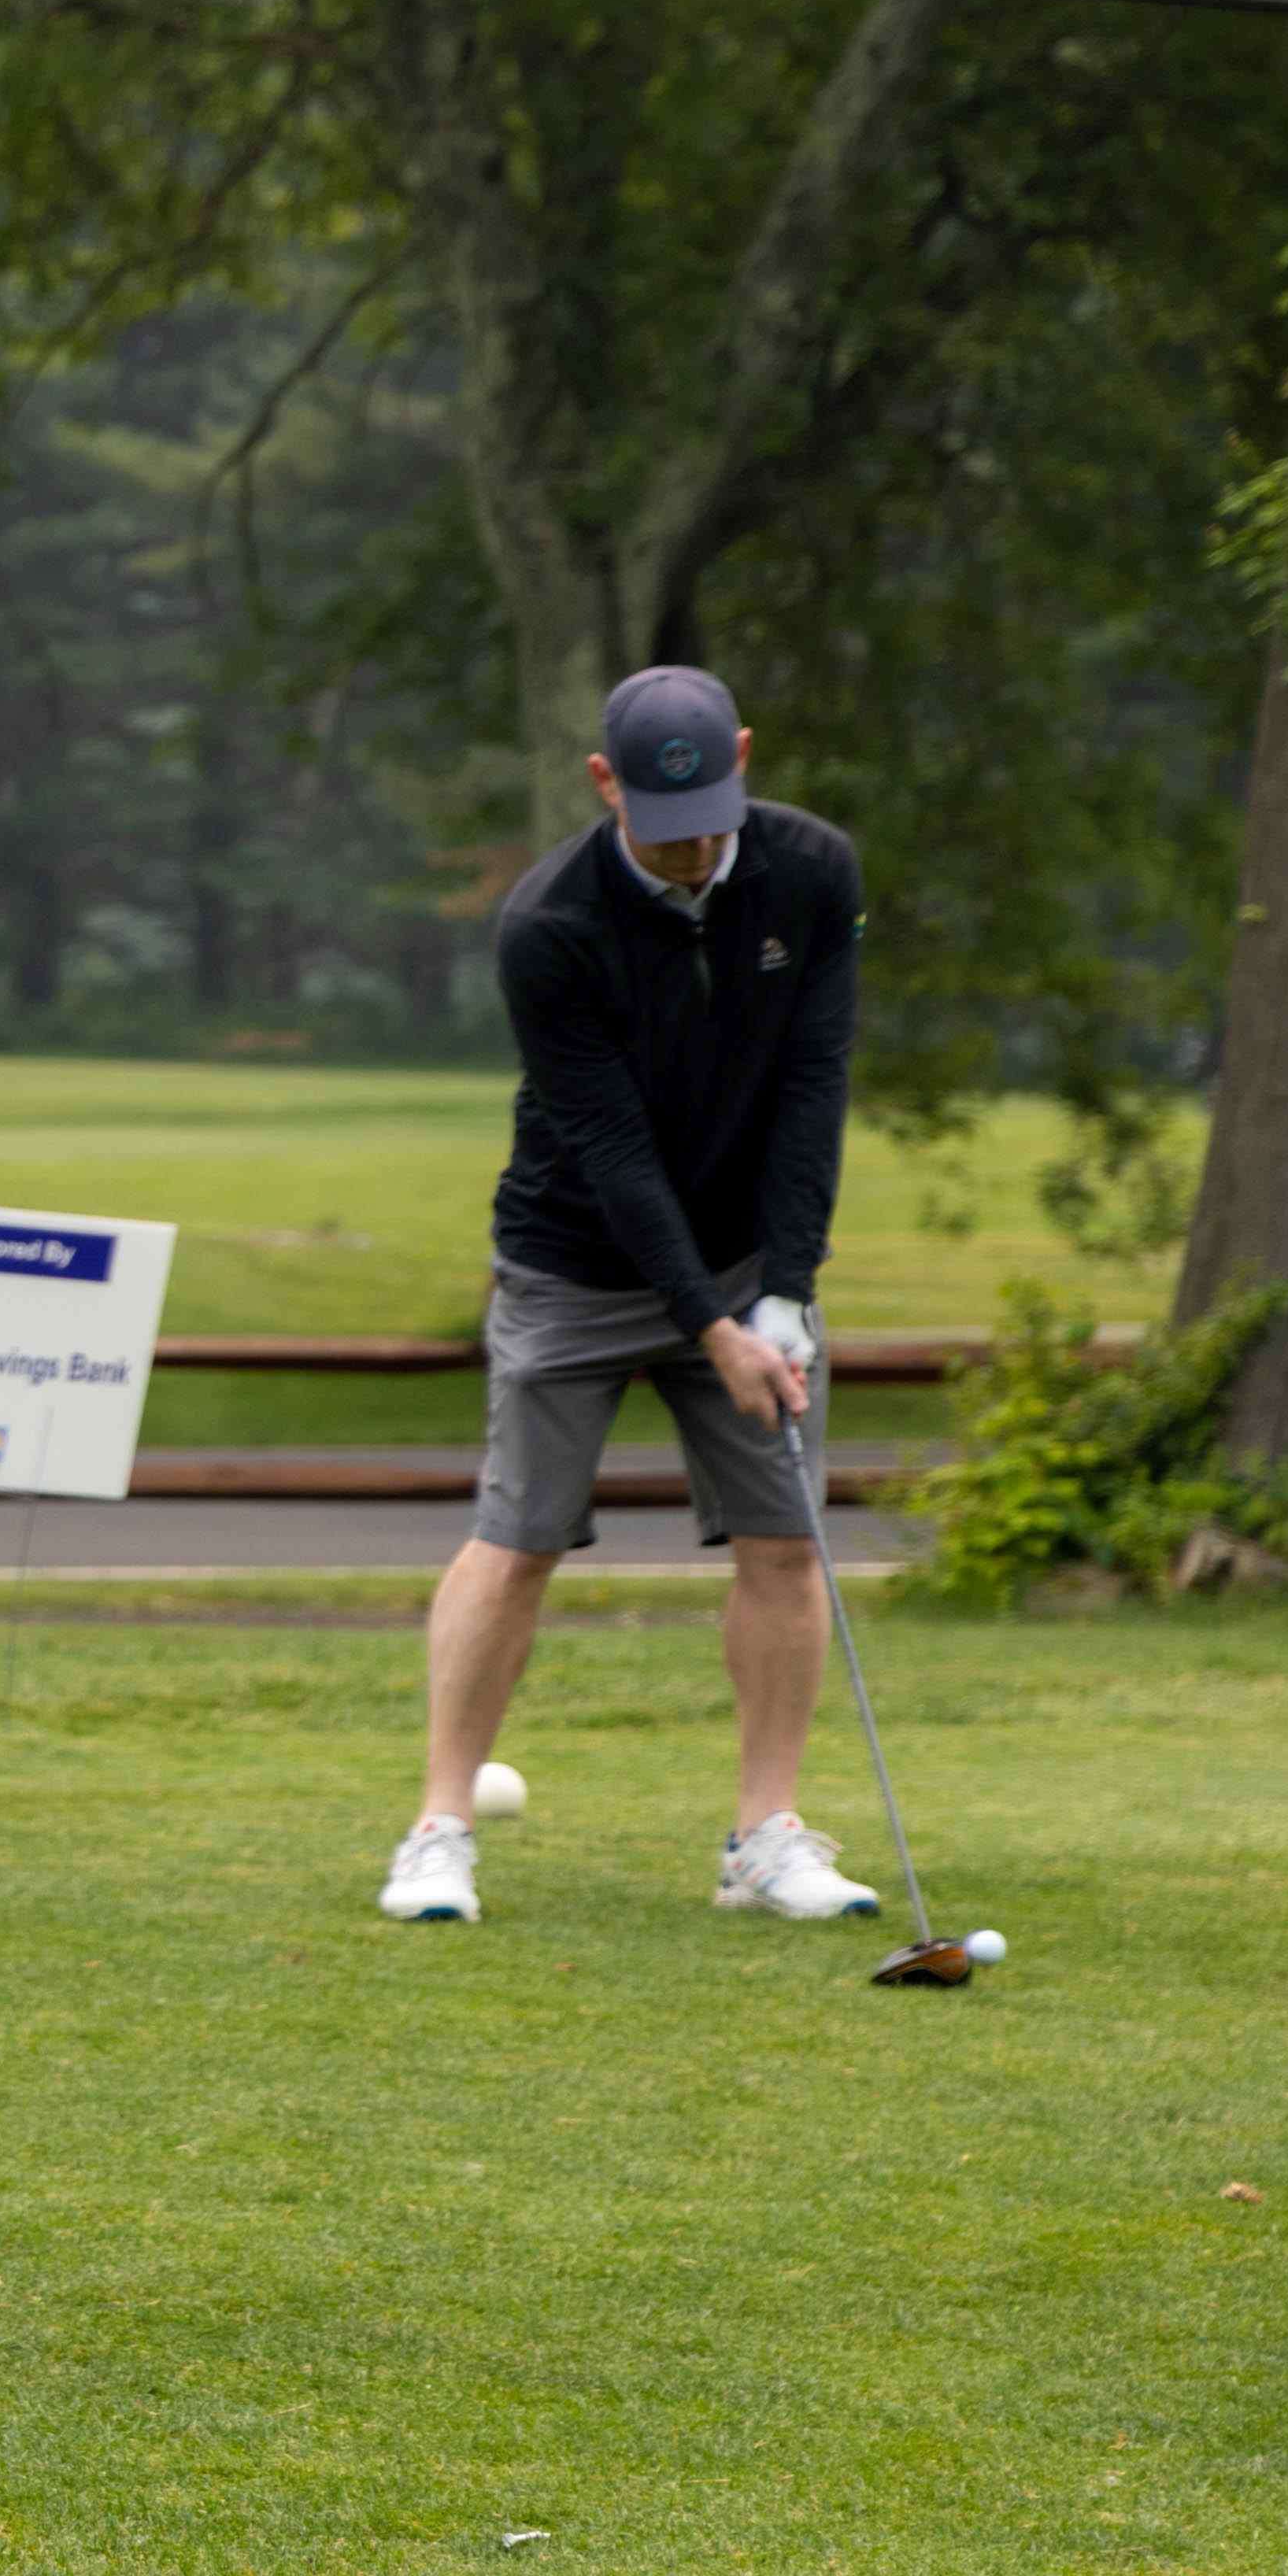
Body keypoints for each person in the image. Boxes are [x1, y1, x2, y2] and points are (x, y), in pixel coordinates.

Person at [385, 665, 870, 1927]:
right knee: (521, 1536)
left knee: (782, 1538)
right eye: (667, 829)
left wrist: (785, 1295)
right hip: (574, 1261)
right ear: (603, 784)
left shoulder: (811, 873)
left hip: (748, 1267)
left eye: (714, 814)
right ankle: (438, 1831)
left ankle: (765, 1838)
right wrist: (706, 1324)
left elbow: (813, 1085)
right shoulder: (552, 924)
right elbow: (611, 1150)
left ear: (746, 759)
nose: (697, 848)